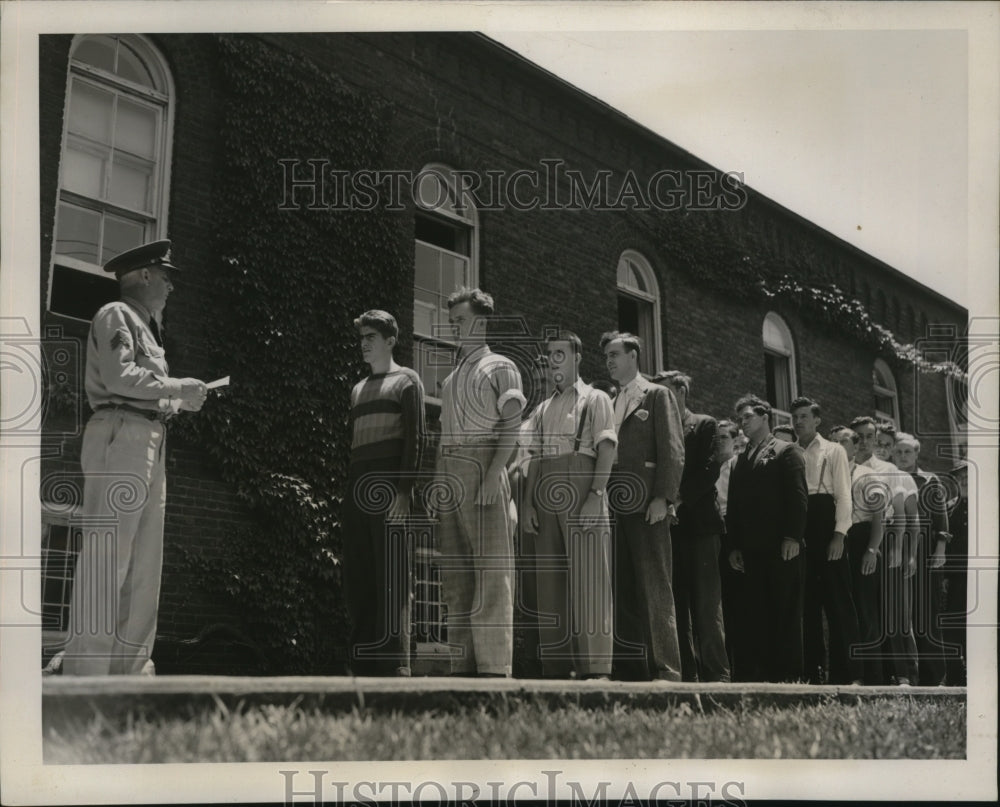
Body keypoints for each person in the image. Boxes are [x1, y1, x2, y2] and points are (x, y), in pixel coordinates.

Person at [60, 240, 207, 676]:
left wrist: (179, 400)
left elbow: (146, 389)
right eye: (166, 277)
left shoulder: (147, 327)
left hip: (148, 436)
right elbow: (119, 376)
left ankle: (130, 675)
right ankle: (86, 677)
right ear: (143, 275)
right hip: (120, 433)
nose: (170, 288)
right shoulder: (117, 315)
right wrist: (177, 387)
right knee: (108, 557)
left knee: (144, 565)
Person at [433, 288, 526, 677]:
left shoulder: (500, 365)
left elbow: (512, 423)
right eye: (452, 321)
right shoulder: (452, 377)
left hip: (483, 463)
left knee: (491, 571)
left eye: (461, 319)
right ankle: (461, 665)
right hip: (450, 469)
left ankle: (493, 668)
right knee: (457, 575)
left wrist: (493, 473)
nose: (454, 327)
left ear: (482, 321)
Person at [521, 331, 617, 679]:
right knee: (550, 582)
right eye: (550, 354)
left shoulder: (596, 398)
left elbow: (607, 448)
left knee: (590, 580)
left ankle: (595, 670)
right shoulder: (544, 408)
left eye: (560, 353)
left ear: (577, 357)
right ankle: (556, 670)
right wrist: (530, 504)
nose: (554, 360)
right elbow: (533, 459)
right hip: (545, 488)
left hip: (582, 485)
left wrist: (596, 495)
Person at [342, 310, 425, 676]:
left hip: (391, 487)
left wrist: (404, 492)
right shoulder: (357, 389)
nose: (364, 344)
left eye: (371, 337)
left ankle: (395, 668)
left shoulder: (408, 382)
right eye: (361, 338)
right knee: (359, 577)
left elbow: (416, 439)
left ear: (390, 341)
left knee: (393, 579)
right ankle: (362, 667)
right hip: (358, 490)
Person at [601, 331, 684, 681]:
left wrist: (663, 497)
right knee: (623, 586)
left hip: (648, 503)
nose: (609, 361)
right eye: (606, 356)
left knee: (655, 584)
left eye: (615, 354)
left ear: (634, 356)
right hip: (616, 503)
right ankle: (631, 667)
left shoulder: (657, 394)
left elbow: (672, 449)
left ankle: (667, 669)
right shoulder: (611, 399)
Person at [726, 393, 808, 682]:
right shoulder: (739, 460)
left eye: (747, 417)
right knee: (754, 612)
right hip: (750, 550)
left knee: (784, 610)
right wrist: (734, 545)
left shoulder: (787, 451)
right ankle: (758, 676)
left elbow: (798, 497)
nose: (742, 423)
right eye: (739, 419)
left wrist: (792, 537)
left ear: (765, 416)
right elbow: (733, 507)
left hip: (781, 547)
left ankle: (788, 676)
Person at [654, 371, 729, 683]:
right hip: (670, 529)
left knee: (706, 604)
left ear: (682, 391)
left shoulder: (704, 423)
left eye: (666, 392)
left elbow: (712, 467)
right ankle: (688, 675)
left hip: (701, 527)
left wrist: (679, 499)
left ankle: (718, 675)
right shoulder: (658, 429)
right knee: (677, 603)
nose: (660, 399)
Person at [790, 398, 862, 685]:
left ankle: (849, 674)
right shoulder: (789, 451)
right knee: (807, 603)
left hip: (826, 522)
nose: (798, 421)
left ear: (817, 420)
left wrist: (839, 534)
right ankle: (813, 672)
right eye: (795, 416)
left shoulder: (833, 451)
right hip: (800, 524)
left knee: (838, 603)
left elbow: (844, 495)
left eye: (804, 416)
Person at [850, 416, 918, 685]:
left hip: (886, 538)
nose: (865, 442)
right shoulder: (849, 468)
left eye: (869, 437)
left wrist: (900, 549)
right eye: (859, 437)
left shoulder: (888, 469)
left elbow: (901, 513)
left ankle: (903, 675)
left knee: (892, 611)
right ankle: (872, 674)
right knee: (867, 610)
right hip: (859, 538)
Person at [830, 425, 889, 684]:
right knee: (844, 610)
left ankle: (873, 676)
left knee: (865, 610)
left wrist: (872, 550)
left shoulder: (866, 475)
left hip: (863, 540)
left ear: (854, 447)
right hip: (839, 540)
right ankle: (847, 673)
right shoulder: (830, 476)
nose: (838, 447)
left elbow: (879, 517)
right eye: (834, 442)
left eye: (843, 442)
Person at [893, 432, 951, 685]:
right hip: (900, 550)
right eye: (899, 452)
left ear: (917, 453)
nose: (903, 456)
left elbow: (941, 517)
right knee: (903, 614)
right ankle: (908, 675)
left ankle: (935, 678)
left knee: (927, 614)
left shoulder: (930, 480)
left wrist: (940, 548)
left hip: (926, 552)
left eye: (908, 452)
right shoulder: (892, 478)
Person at [715, 418, 748, 679]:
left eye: (724, 437)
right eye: (716, 438)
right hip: (711, 532)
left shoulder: (739, 467)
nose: (718, 442)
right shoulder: (709, 466)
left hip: (732, 531)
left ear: (736, 440)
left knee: (738, 602)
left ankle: (742, 669)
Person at [943, 460, 968, 685]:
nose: (965, 479)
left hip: (982, 576)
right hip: (956, 578)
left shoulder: (990, 504)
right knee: (953, 628)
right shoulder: (950, 506)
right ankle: (954, 677)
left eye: (969, 475)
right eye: (960, 476)